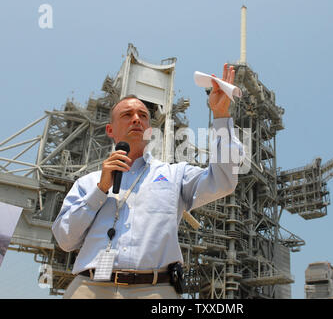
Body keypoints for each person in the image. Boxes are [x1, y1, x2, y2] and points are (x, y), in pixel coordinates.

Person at [52, 63, 244, 299]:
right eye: (127, 115)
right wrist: (100, 190)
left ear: (150, 130)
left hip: (156, 290)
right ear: (110, 130)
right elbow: (65, 240)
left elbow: (223, 181)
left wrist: (221, 115)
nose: (136, 119)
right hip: (91, 287)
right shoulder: (87, 183)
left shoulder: (175, 175)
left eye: (143, 116)